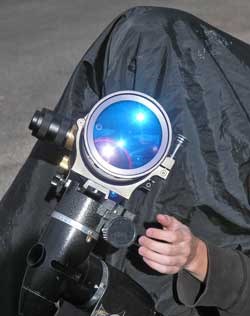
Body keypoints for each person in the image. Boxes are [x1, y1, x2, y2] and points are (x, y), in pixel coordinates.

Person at [1, 6, 250, 316]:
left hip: (182, 287)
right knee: (145, 34)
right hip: (91, 245)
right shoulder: (157, 47)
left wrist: (198, 256)